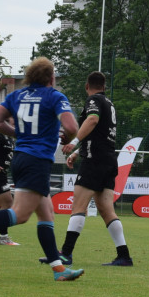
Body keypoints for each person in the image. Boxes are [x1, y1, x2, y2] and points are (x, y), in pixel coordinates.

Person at [0, 57, 83, 281]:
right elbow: (71, 127)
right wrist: (67, 138)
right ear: (51, 78)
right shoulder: (54, 96)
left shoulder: (17, 96)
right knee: (20, 214)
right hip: (37, 160)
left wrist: (19, 134)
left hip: (21, 158)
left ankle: (58, 270)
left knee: (46, 213)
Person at [53, 71, 134, 267]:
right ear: (104, 86)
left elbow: (92, 120)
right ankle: (124, 256)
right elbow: (98, 133)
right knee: (107, 210)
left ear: (86, 86)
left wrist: (74, 142)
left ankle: (66, 254)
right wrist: (77, 152)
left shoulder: (93, 101)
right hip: (107, 160)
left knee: (78, 207)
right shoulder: (109, 103)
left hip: (94, 161)